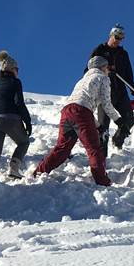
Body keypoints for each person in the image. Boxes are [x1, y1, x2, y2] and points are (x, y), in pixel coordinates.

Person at [34, 57, 119, 186]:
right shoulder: (103, 78)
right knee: (94, 148)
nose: (108, 70)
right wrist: (119, 120)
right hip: (81, 112)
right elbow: (106, 104)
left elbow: (81, 106)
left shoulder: (82, 81)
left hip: (67, 112)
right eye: (107, 67)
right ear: (102, 67)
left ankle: (39, 172)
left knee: (62, 148)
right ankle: (102, 182)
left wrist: (98, 126)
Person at [0, 50, 32, 179]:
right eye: (17, 69)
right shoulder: (16, 82)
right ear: (11, 69)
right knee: (23, 142)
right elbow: (19, 103)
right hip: (10, 118)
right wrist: (27, 121)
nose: (18, 71)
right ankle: (14, 169)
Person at [89, 25, 134, 154]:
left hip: (120, 91)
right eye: (116, 37)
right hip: (104, 92)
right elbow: (89, 69)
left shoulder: (123, 54)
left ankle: (118, 139)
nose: (118, 40)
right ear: (110, 35)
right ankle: (101, 158)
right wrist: (104, 71)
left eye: (121, 38)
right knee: (103, 126)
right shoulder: (100, 49)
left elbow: (128, 75)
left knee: (128, 119)